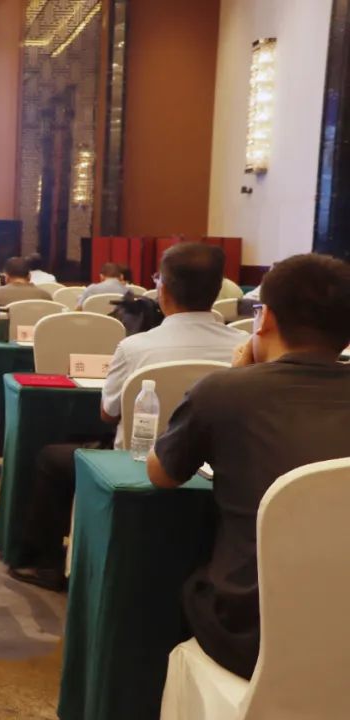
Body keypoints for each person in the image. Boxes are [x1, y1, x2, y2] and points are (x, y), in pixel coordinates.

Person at [147, 253, 350, 680]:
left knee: (176, 584)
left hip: (254, 630)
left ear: (265, 319)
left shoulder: (224, 391)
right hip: (342, 624)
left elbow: (160, 474)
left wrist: (233, 373)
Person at [9, 243, 247, 590]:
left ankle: (43, 563)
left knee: (51, 458)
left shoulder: (136, 347)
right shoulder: (244, 345)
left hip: (138, 462)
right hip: (220, 465)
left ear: (162, 290)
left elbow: (108, 414)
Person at [0, 256, 51, 333]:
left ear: (6, 277)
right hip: (37, 339)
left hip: (6, 339)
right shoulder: (46, 296)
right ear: (29, 276)